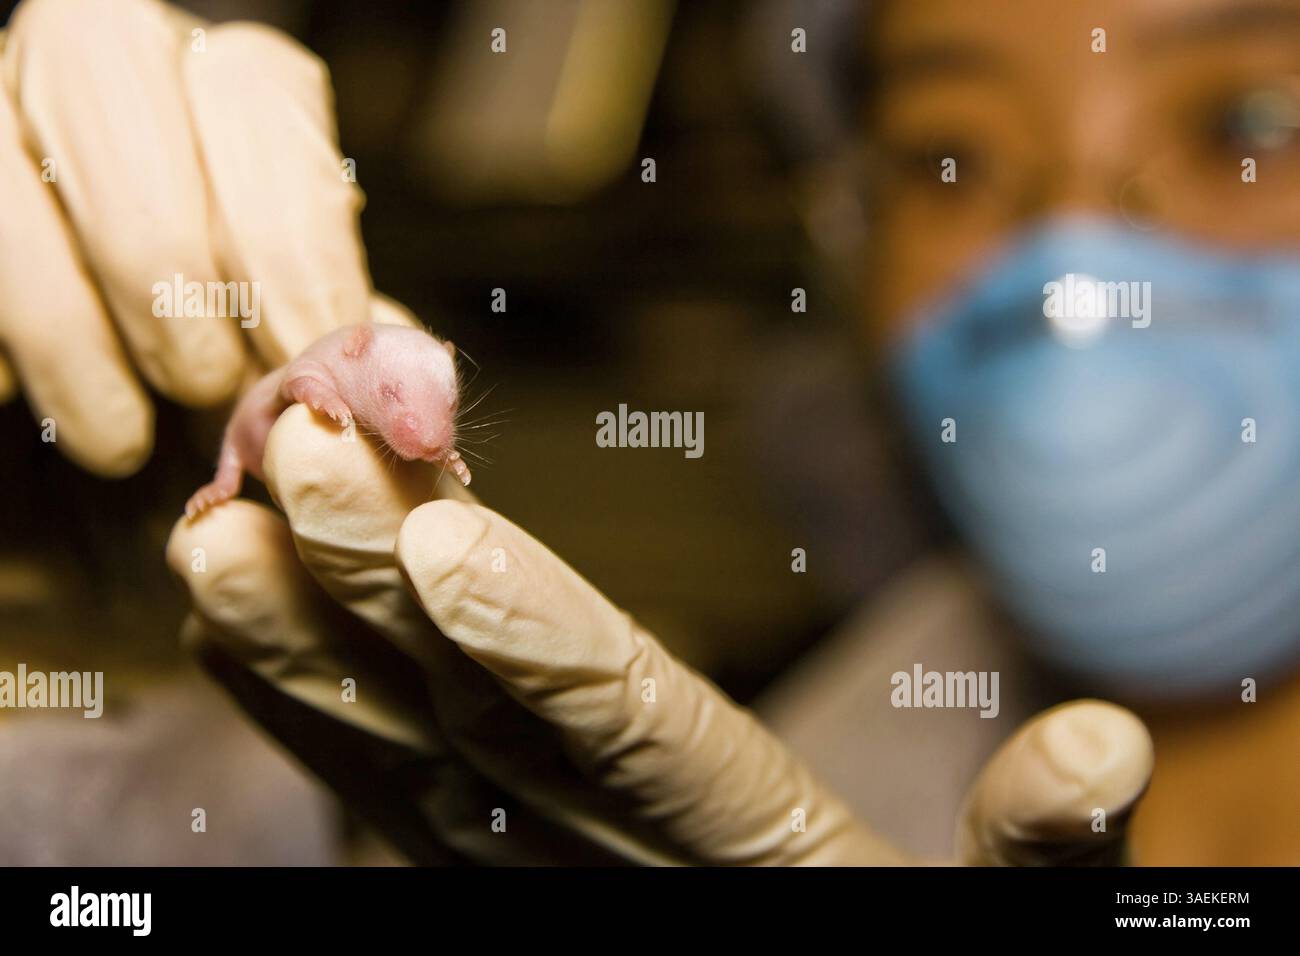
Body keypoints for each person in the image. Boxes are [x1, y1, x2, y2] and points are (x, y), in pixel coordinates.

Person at [5, 0, 1291, 864]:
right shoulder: (755, 755)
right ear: (847, 235)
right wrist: (60, 603)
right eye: (946, 156)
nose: (1071, 256)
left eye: (1249, 123)